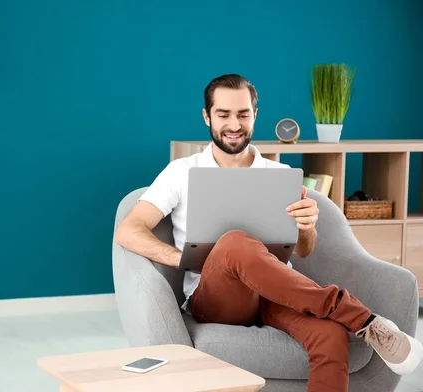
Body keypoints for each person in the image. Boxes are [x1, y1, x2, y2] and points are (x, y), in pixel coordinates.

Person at [114, 73, 423, 392]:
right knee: (234, 241)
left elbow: (302, 251)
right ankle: (363, 319)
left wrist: (307, 227)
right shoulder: (181, 172)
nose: (234, 124)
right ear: (207, 116)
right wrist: (183, 259)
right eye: (223, 114)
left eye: (243, 114)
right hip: (219, 298)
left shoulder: (281, 176)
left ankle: (352, 321)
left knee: (330, 335)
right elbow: (129, 230)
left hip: (278, 292)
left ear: (255, 115)